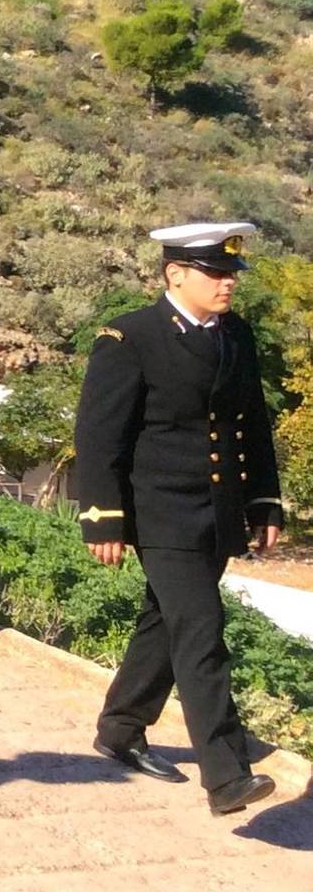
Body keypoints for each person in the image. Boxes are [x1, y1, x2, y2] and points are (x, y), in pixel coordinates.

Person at [75, 222, 284, 816]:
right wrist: (103, 517)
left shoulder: (234, 335)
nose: (227, 285)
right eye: (215, 273)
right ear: (175, 274)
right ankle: (225, 775)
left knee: (166, 623)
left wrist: (263, 499)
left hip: (215, 510)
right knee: (201, 628)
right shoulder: (130, 337)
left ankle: (120, 726)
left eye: (230, 275)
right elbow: (99, 433)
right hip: (159, 510)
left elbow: (252, 423)